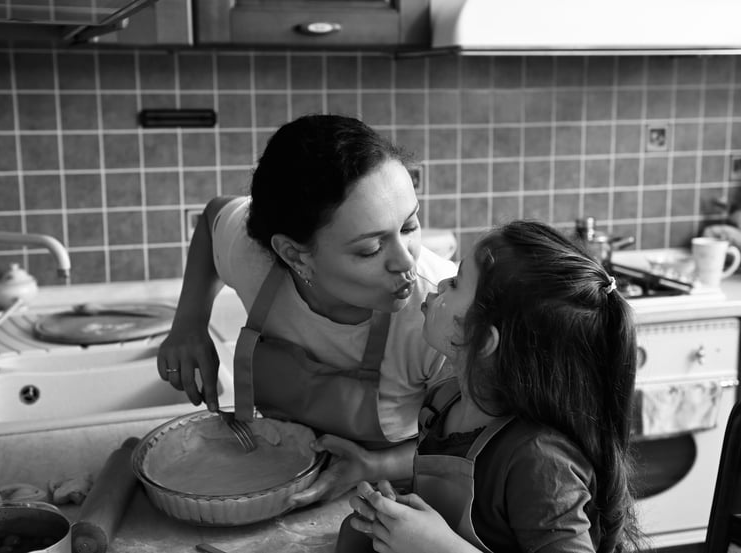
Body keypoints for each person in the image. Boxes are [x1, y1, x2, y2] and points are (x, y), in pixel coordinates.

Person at [156, 114, 457, 507]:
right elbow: (216, 214)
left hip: (392, 497)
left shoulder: (440, 314)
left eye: (409, 225)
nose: (405, 261)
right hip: (275, 476)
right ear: (295, 255)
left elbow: (468, 449)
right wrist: (190, 322)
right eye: (370, 249)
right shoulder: (255, 259)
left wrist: (372, 465)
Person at [342, 220, 643, 553]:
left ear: (484, 338)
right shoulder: (444, 401)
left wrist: (437, 546)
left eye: (456, 283)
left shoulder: (540, 462)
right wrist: (399, 516)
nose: (439, 283)